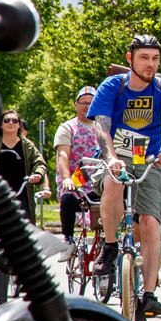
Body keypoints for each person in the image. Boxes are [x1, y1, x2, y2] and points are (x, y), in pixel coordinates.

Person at [87, 36, 161, 320]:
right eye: (144, 58)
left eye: (155, 59)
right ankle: (109, 247)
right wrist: (110, 158)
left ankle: (149, 293)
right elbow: (101, 126)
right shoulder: (113, 86)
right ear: (130, 59)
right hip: (114, 158)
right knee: (113, 180)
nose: (151, 64)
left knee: (150, 222)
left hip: (150, 161)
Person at [53, 86, 102, 241]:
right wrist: (67, 178)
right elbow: (63, 154)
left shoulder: (104, 129)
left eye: (91, 103)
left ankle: (108, 244)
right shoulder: (67, 128)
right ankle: (68, 240)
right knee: (68, 199)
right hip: (76, 180)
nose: (87, 106)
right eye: (83, 103)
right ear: (76, 105)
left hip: (97, 180)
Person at [0, 107, 45, 221]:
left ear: (19, 125)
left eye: (14, 121)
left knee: (24, 226)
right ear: (0, 124)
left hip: (22, 194)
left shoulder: (27, 145)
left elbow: (39, 163)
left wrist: (37, 174)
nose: (11, 123)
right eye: (7, 120)